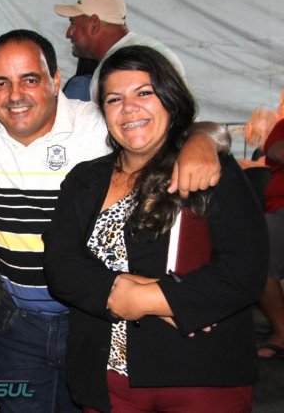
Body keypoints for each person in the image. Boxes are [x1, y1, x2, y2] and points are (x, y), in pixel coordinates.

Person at [0, 30, 226, 412]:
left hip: (93, 319)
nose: (15, 95)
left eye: (30, 80)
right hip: (18, 324)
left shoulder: (97, 124)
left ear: (55, 80)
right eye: (1, 83)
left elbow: (190, 125)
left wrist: (202, 142)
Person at [44, 45, 267, 412]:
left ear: (169, 99)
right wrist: (136, 292)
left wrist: (145, 299)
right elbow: (61, 265)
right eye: (115, 99)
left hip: (201, 376)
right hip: (106, 378)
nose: (129, 108)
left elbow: (244, 270)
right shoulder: (86, 179)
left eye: (144, 93)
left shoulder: (208, 169)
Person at [55, 0, 185, 102]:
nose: (68, 33)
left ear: (94, 24)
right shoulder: (149, 48)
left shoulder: (119, 66)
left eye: (72, 23)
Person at [257, 118, 284, 359]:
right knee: (258, 252)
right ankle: (282, 332)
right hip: (280, 211)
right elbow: (277, 151)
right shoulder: (283, 126)